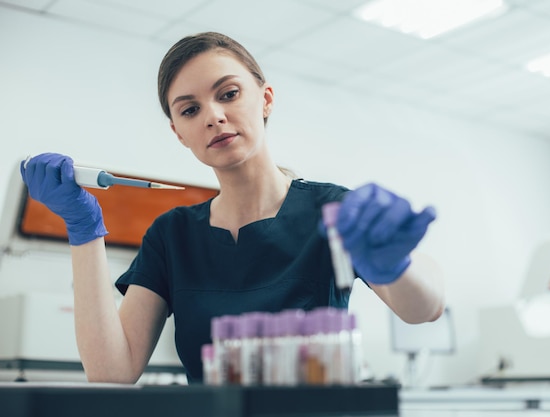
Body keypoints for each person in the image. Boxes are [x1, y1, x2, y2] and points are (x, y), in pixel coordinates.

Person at [19, 32, 445, 384]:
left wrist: (395, 265)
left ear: (266, 99)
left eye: (229, 93)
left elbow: (424, 309)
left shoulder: (332, 208)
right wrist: (83, 230)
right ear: (179, 133)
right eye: (190, 109)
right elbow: (111, 373)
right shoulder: (172, 235)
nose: (213, 116)